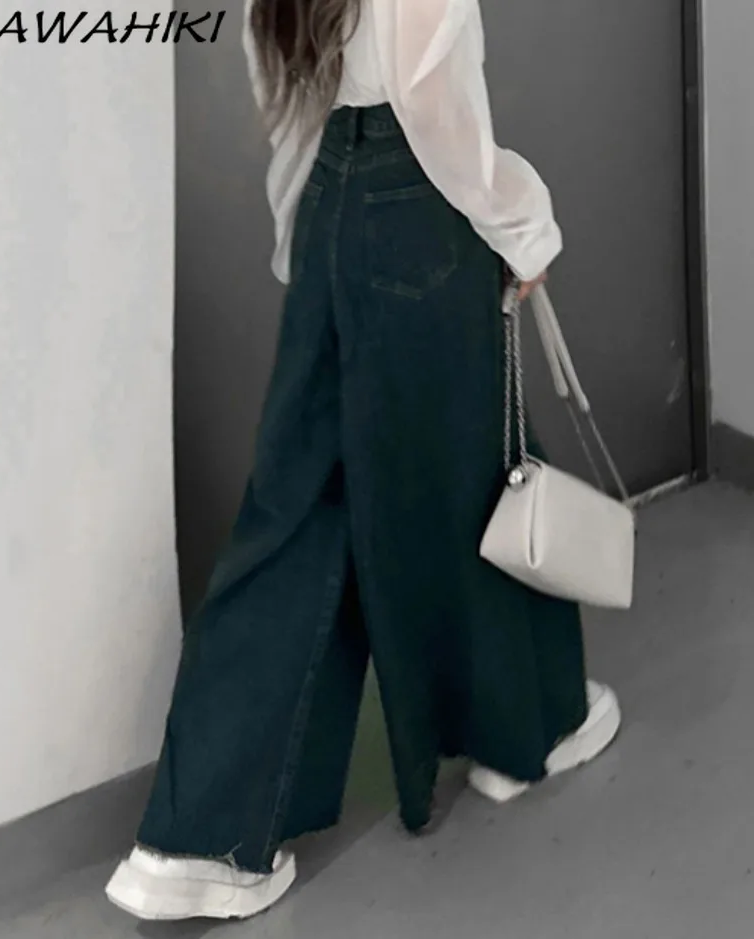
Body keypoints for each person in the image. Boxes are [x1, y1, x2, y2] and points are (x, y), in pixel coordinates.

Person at [106, 0, 621, 922]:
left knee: (304, 506)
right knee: (473, 468)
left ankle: (199, 836)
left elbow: (285, 83)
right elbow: (428, 99)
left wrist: (310, 229)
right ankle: (525, 733)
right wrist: (521, 224)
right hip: (417, 204)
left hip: (336, 194)